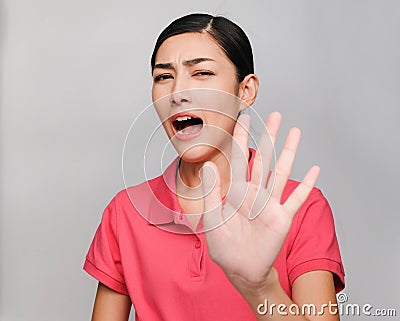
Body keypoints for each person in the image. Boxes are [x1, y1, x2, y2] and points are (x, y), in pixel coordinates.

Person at [83, 13, 345, 321]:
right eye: (163, 77)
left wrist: (260, 287)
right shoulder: (125, 212)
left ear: (245, 91)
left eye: (202, 73)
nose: (178, 93)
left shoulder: (301, 209)